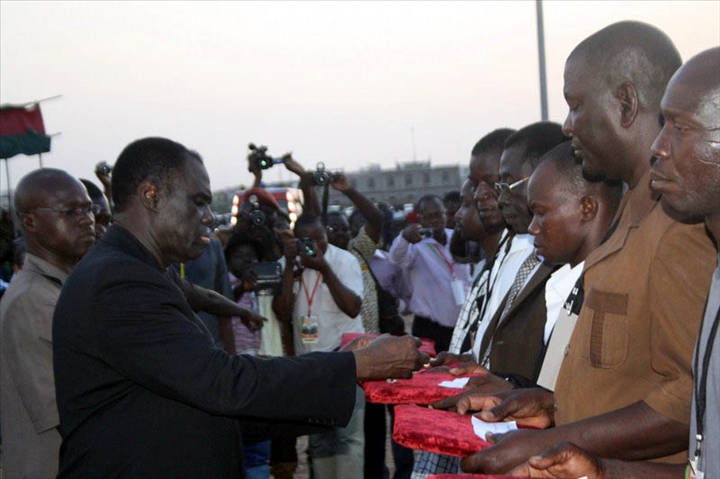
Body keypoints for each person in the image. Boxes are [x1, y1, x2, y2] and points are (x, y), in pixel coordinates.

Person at [52, 137, 428, 478]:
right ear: (151, 195)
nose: (208, 216)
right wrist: (353, 365)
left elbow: (210, 400)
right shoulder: (118, 280)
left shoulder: (138, 268)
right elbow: (220, 383)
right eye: (198, 201)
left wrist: (343, 366)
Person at [444, 22, 717, 474]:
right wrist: (551, 405)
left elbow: (692, 401)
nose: (568, 125)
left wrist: (554, 438)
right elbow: (625, 380)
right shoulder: (633, 210)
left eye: (576, 106)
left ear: (625, 104)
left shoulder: (678, 225)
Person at [1, 168, 96, 478]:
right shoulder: (32, 302)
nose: (86, 219)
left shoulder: (62, 289)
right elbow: (72, 414)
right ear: (30, 222)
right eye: (69, 211)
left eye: (87, 209)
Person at [274, 212, 366, 479]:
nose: (315, 245)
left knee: (348, 437)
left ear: (326, 235)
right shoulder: (289, 264)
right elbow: (282, 311)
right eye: (308, 240)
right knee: (319, 439)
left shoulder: (344, 260)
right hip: (310, 363)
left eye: (320, 238)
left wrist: (324, 267)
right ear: (297, 241)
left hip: (346, 357)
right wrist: (291, 265)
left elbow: (352, 308)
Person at [389, 194, 472, 353]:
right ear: (420, 219)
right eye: (430, 216)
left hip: (461, 324)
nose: (436, 220)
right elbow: (395, 259)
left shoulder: (457, 237)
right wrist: (404, 238)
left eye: (439, 214)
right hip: (429, 328)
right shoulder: (415, 245)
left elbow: (466, 277)